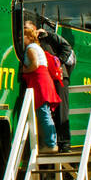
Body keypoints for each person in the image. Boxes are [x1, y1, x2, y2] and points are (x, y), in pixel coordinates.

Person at [21, 21, 60, 152]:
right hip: (42, 80)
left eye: (22, 37)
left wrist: (24, 71)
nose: (21, 39)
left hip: (39, 81)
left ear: (28, 37)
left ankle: (50, 144)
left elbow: (35, 65)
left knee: (43, 113)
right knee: (45, 113)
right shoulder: (36, 47)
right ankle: (51, 142)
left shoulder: (31, 48)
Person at [36, 23, 76, 151]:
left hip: (59, 77)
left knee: (61, 110)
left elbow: (66, 47)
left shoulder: (47, 37)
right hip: (46, 78)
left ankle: (64, 143)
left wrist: (58, 62)